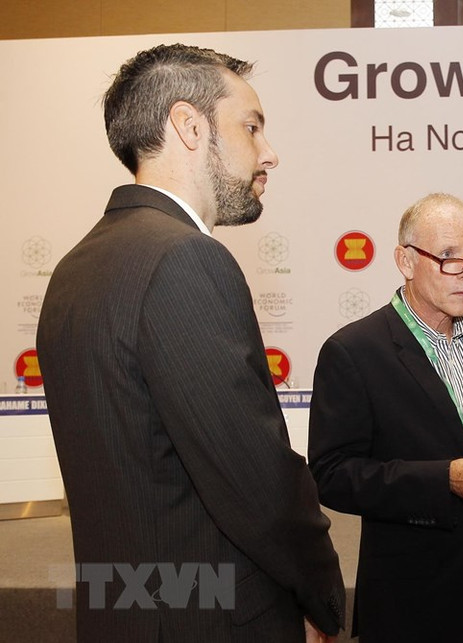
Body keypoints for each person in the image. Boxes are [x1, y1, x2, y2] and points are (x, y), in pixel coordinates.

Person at [37, 44, 344, 642]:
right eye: (252, 128)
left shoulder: (75, 266)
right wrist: (320, 597)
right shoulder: (186, 260)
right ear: (189, 125)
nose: (269, 154)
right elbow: (256, 482)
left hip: (126, 612)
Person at [308, 193, 463, 642]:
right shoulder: (354, 352)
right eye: (449, 257)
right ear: (405, 260)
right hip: (413, 598)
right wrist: (446, 480)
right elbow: (332, 475)